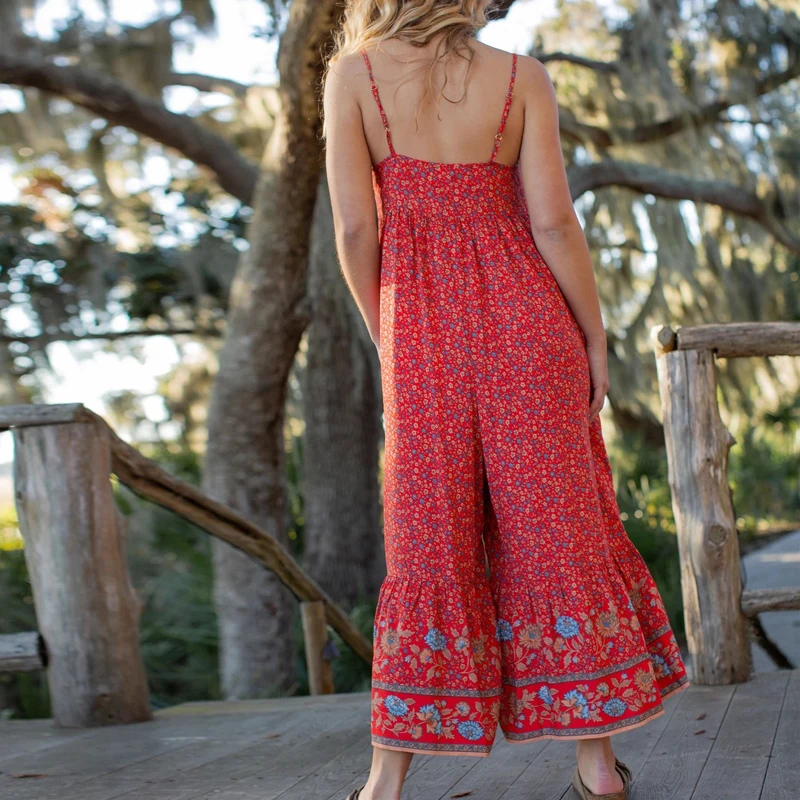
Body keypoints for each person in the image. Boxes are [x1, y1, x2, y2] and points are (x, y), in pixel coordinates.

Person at [323, 2, 688, 798]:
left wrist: (389, 336)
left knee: (426, 539)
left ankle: (384, 783)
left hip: (424, 339)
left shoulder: (354, 77)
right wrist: (593, 337)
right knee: (559, 533)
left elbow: (355, 231)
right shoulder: (523, 78)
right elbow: (553, 223)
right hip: (530, 327)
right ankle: (597, 767)